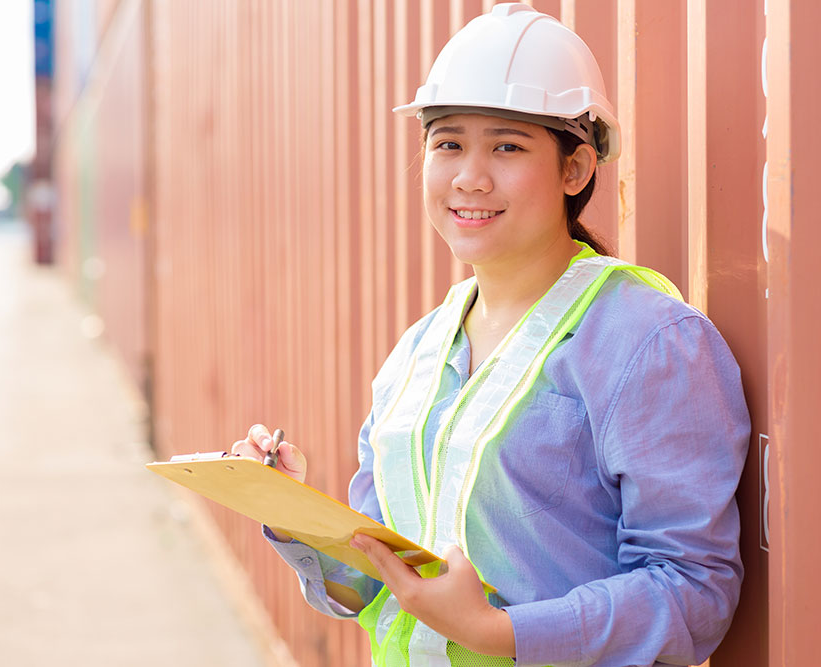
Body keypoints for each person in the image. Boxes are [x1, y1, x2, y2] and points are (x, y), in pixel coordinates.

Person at [232, 4, 749, 666]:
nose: (469, 176)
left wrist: (499, 633)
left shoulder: (648, 343)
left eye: (506, 145)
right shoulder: (418, 352)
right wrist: (292, 510)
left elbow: (693, 595)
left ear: (576, 168)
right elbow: (376, 584)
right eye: (448, 143)